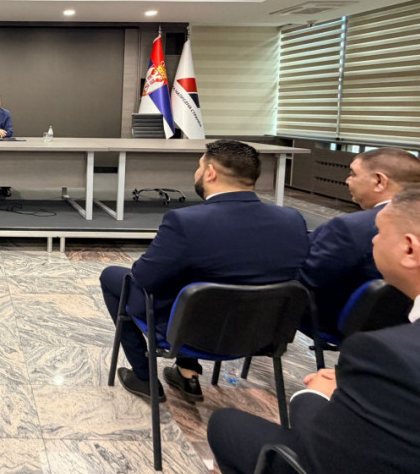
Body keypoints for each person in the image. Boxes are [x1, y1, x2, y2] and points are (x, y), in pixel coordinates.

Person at [208, 183, 420, 474]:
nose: (374, 240)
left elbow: (328, 459)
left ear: (410, 249)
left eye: (378, 232)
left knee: (226, 424)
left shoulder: (385, 353)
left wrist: (314, 397)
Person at [100, 140, 309, 402]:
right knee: (196, 278)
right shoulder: (293, 220)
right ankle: (187, 374)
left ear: (210, 173)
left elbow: (144, 277)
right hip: (262, 335)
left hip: (189, 332)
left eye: (199, 166)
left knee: (113, 277)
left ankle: (144, 377)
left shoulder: (186, 222)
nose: (196, 172)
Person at [300, 147, 420, 337]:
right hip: (410, 325)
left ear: (379, 181)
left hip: (339, 321)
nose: (347, 180)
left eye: (353, 174)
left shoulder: (351, 227)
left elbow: (307, 277)